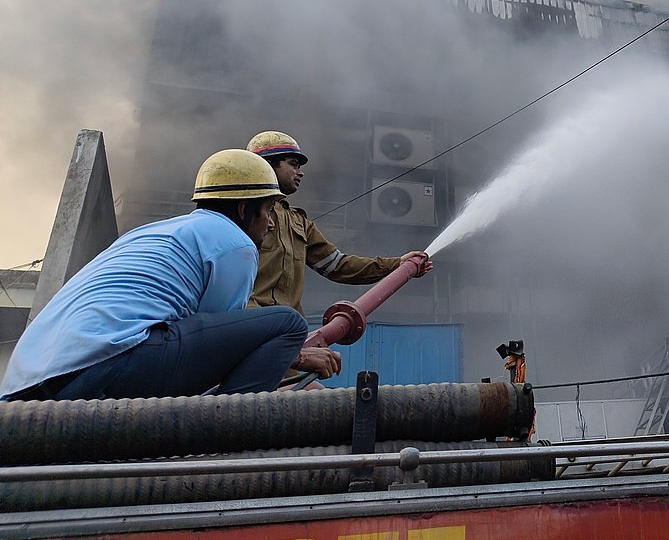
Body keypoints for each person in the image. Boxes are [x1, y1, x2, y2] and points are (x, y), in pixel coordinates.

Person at [1, 150, 308, 401]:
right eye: (269, 209)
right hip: (108, 365)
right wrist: (297, 355)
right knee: (288, 323)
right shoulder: (235, 243)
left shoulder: (151, 233)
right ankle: (227, 437)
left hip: (25, 391)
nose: (271, 223)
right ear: (243, 209)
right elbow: (225, 348)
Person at [245, 131, 432, 378]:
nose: (300, 172)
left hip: (287, 340)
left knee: (311, 398)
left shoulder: (298, 222)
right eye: (293, 164)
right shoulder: (244, 212)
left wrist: (396, 264)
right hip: (251, 336)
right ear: (267, 165)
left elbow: (338, 265)